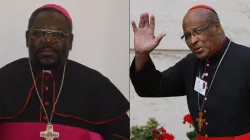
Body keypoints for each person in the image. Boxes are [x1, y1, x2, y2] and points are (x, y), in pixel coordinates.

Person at [0, 4, 129, 140]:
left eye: (58, 35)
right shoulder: (4, 79)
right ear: (27, 38)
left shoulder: (96, 85)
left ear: (70, 41)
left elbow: (122, 135)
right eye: (39, 33)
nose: (48, 40)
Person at [130, 4, 250, 140]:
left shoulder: (246, 60)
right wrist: (142, 54)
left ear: (217, 27)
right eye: (187, 35)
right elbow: (151, 88)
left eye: (198, 31)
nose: (192, 40)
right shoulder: (190, 63)